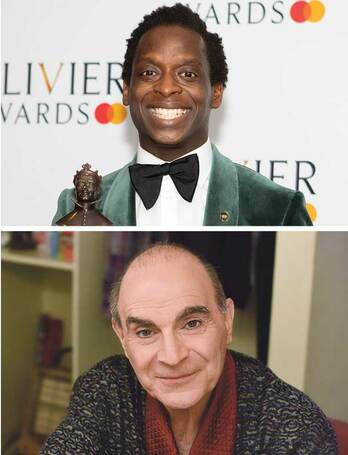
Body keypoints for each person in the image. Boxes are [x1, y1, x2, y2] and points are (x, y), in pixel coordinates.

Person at [42, 244, 336, 454]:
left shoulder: (293, 425)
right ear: (122, 338)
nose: (172, 356)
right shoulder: (105, 388)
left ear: (227, 320)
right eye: (145, 332)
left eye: (192, 324)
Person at [52, 4, 311, 226]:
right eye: (149, 73)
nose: (166, 88)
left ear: (216, 92)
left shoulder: (279, 209)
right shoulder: (73, 204)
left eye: (187, 74)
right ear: (127, 91)